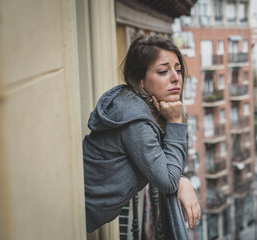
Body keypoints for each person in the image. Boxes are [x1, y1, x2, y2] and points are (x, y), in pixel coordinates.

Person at [83, 35, 201, 233]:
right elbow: (168, 181)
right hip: (72, 213)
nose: (176, 78)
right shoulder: (135, 119)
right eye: (163, 71)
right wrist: (174, 122)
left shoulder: (146, 109)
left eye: (178, 70)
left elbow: (170, 164)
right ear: (141, 81)